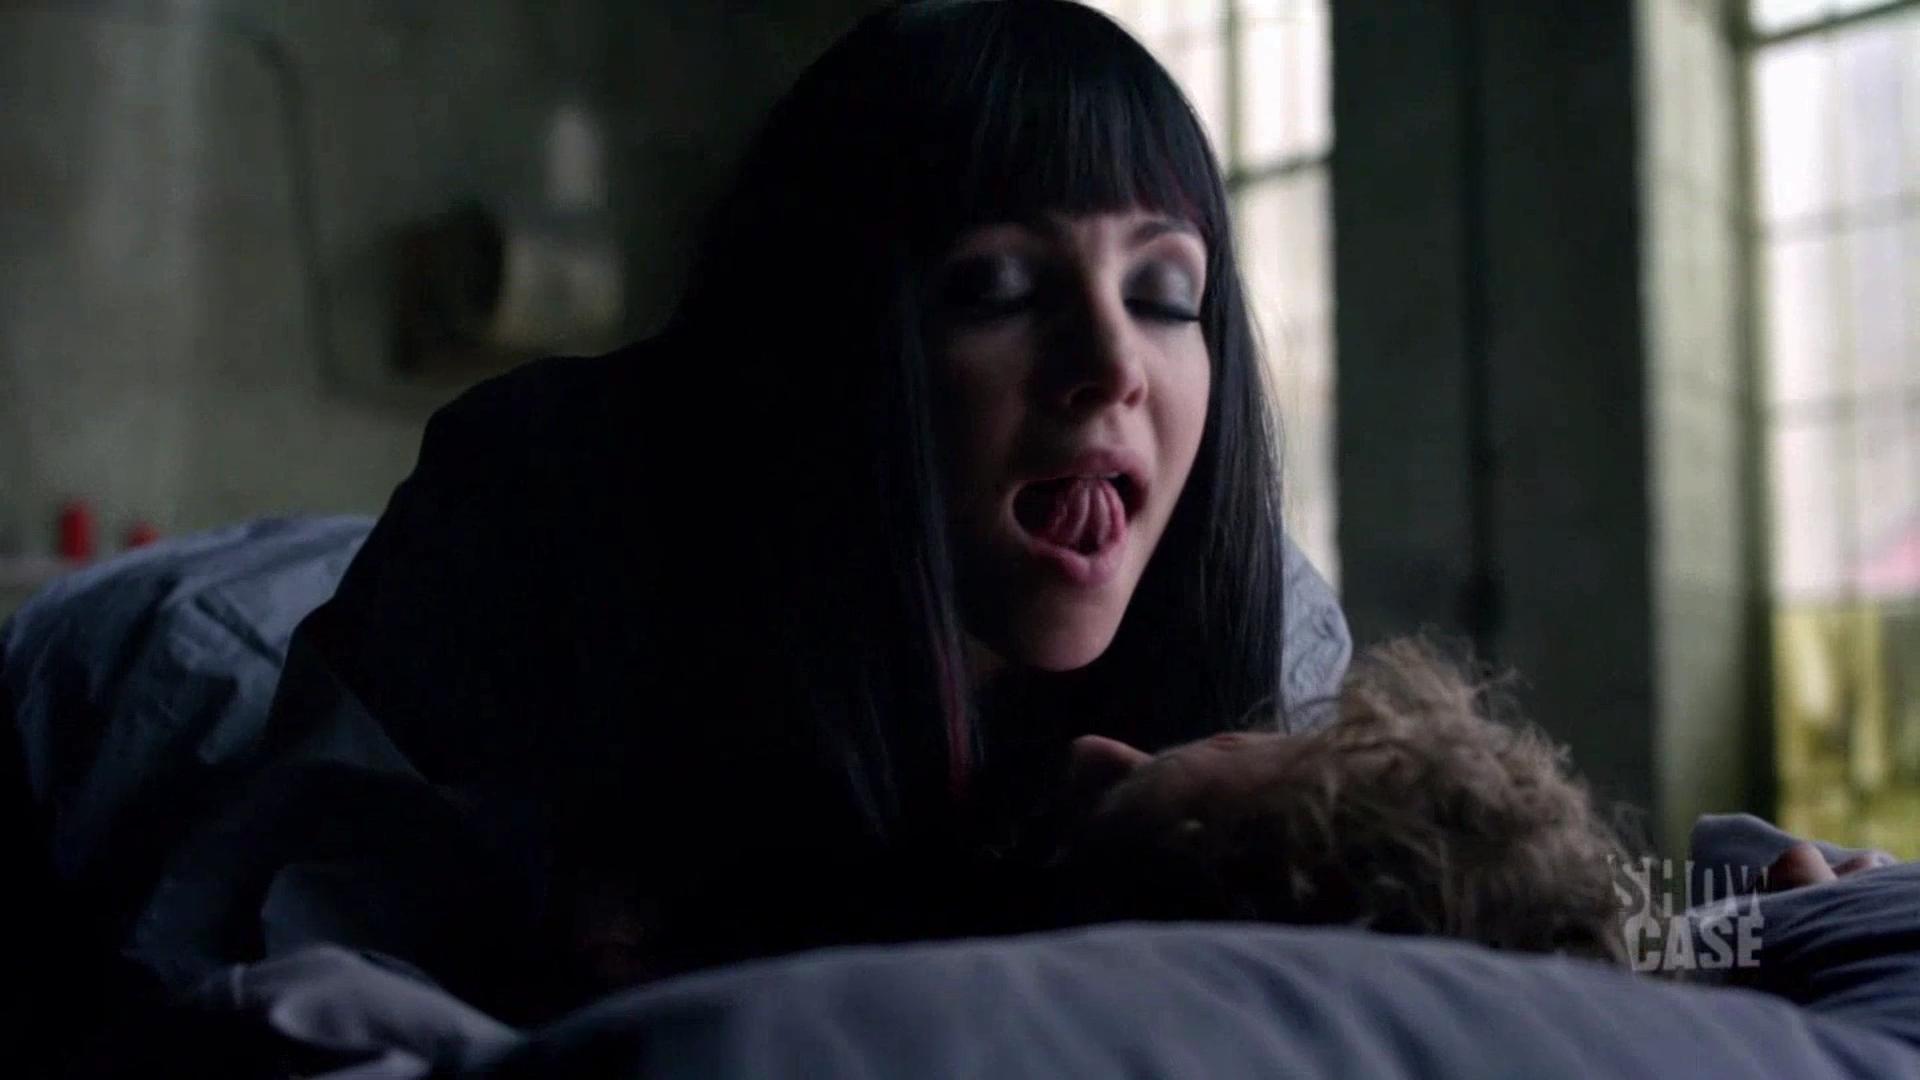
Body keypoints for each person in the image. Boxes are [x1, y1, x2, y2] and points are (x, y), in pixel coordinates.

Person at [248, 0, 1351, 1017]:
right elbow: (310, 967)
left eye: (1165, 296)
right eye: (998, 289)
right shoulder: (542, 520)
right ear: (823, 339)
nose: (1113, 366)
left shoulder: (1256, 625)